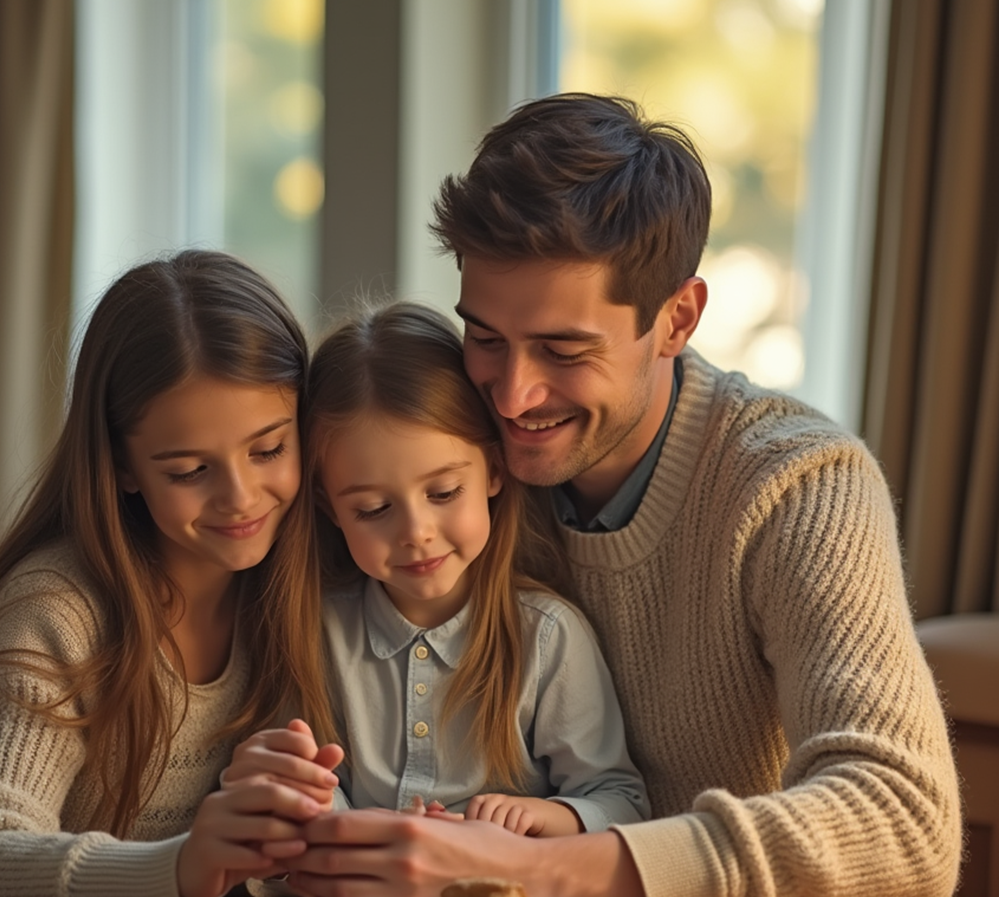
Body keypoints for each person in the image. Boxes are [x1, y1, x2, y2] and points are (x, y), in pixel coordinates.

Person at [282, 94, 962, 897]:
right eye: (487, 338)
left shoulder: (799, 487)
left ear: (677, 318)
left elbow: (904, 822)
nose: (511, 397)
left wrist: (538, 868)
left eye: (563, 349)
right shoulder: (448, 464)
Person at [0, 250, 341, 897]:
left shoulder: (295, 591)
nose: (239, 496)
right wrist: (182, 864)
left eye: (268, 448)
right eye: (188, 470)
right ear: (123, 467)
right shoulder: (57, 611)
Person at [306, 301, 648, 835]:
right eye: (373, 510)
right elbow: (301, 790)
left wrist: (546, 815)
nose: (415, 532)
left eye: (443, 492)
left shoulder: (546, 637)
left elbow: (620, 800)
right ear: (332, 509)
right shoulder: (317, 632)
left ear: (493, 471)